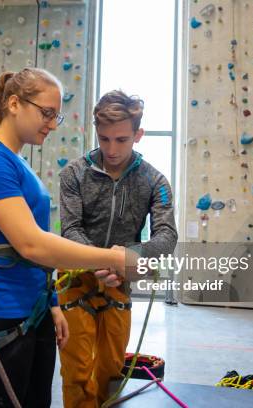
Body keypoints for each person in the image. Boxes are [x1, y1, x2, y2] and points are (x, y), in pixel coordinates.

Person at [0, 68, 127, 408]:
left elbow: (37, 247)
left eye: (56, 115)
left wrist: (51, 305)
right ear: (15, 104)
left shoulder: (17, 162)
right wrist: (111, 257)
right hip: (0, 305)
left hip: (31, 304)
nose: (51, 123)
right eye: (46, 113)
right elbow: (31, 244)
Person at [58, 90, 178, 407]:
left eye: (122, 139)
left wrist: (130, 258)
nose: (112, 149)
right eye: (104, 138)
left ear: (138, 134)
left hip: (119, 282)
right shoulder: (74, 173)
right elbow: (70, 228)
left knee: (111, 370)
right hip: (76, 280)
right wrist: (102, 261)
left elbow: (166, 236)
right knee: (78, 371)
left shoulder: (155, 181)